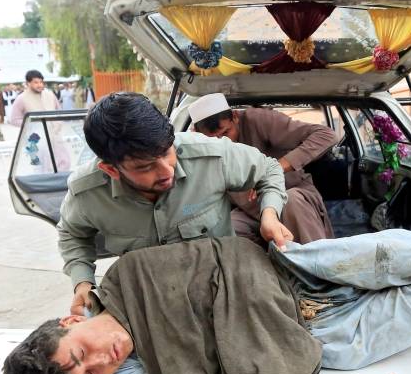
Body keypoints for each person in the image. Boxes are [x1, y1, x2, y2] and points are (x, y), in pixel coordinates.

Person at [0, 230, 411, 374]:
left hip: (300, 270)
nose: (100, 363)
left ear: (70, 320)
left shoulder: (130, 274)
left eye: (80, 354)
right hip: (324, 340)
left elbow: (225, 256)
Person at [57, 92, 292, 318]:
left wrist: (269, 215)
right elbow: (72, 234)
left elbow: (268, 170)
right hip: (151, 305)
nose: (166, 171)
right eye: (145, 167)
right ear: (110, 169)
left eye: (167, 153)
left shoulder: (210, 154)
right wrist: (83, 283)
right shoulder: (87, 192)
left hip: (225, 293)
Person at [189, 94, 337, 244]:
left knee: (292, 201)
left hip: (293, 195)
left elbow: (326, 135)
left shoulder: (259, 120)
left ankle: (314, 263)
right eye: (213, 138)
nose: (223, 142)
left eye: (226, 132)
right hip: (252, 211)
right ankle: (264, 265)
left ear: (235, 116)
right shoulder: (195, 146)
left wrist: (273, 170)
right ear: (196, 133)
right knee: (223, 230)